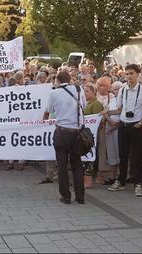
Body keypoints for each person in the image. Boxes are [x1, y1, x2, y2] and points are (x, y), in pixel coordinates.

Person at [106, 64, 142, 197]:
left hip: (136, 126)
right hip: (124, 125)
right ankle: (121, 181)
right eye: (127, 74)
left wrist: (140, 122)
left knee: (137, 156)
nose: (129, 76)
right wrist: (107, 111)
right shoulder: (122, 90)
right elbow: (119, 109)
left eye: (132, 73)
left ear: (138, 74)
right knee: (123, 155)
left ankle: (138, 183)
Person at [43, 70, 87, 204]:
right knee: (77, 165)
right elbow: (84, 106)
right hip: (77, 132)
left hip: (62, 131)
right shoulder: (79, 89)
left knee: (62, 165)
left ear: (57, 81)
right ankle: (80, 196)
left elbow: (49, 111)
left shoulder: (54, 93)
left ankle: (66, 196)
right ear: (70, 79)